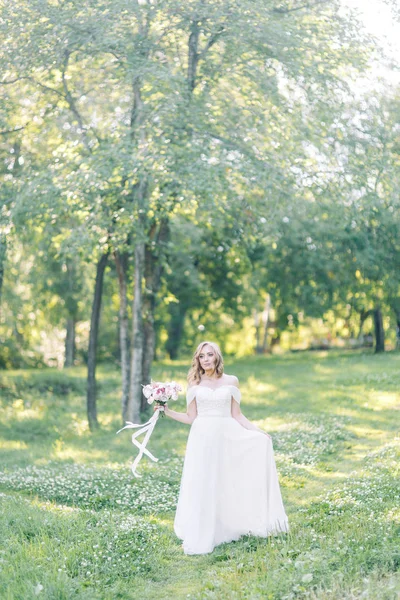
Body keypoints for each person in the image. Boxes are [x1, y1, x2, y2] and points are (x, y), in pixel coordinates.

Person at [154, 340, 289, 555]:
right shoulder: (195, 383)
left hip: (227, 434)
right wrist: (167, 411)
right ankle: (205, 529)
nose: (205, 359)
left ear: (217, 356)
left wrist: (257, 431)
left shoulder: (231, 381)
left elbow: (237, 414)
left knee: (227, 479)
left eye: (209, 355)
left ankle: (229, 525)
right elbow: (191, 417)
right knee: (205, 481)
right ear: (197, 360)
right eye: (201, 356)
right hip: (202, 437)